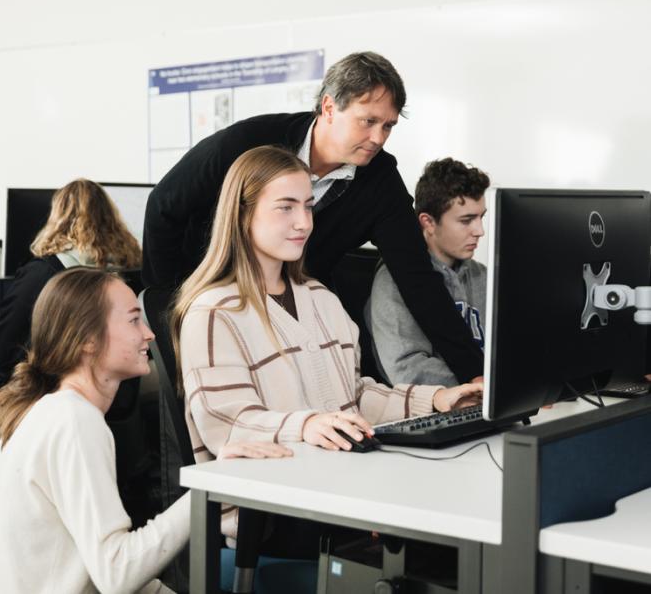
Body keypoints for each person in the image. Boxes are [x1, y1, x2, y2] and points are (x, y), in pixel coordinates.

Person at [171, 146, 483, 538]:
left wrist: (435, 401)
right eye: (285, 207)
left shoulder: (321, 299)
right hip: (272, 519)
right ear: (242, 214)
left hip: (341, 495)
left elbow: (353, 398)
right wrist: (308, 425)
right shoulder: (215, 311)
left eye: (308, 205)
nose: (304, 222)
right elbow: (228, 423)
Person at [144, 51, 482, 383]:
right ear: (330, 108)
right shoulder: (248, 143)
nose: (378, 138)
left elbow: (419, 281)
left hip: (290, 310)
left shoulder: (380, 183)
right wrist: (175, 307)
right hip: (209, 299)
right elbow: (163, 206)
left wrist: (477, 377)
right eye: (368, 121)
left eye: (388, 126)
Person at [0, 267, 291, 594]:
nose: (149, 334)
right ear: (88, 340)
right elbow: (117, 574)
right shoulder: (74, 420)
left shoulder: (46, 411)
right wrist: (207, 489)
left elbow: (95, 566)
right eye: (133, 320)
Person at [0, 178, 142, 384]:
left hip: (54, 391)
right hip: (116, 389)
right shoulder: (130, 268)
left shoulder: (42, 273)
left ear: (57, 218)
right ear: (110, 218)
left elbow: (3, 350)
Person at [366, 158, 490, 387]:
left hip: (487, 404)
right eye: (466, 220)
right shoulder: (393, 281)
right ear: (428, 223)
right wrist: (483, 387)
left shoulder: (482, 276)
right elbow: (406, 370)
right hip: (430, 411)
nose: (479, 231)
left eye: (481, 217)